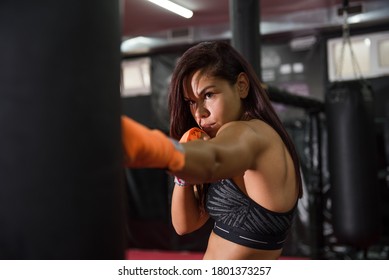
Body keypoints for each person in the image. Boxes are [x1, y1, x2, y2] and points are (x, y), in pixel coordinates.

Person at [121, 41, 302, 260]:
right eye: (191, 102)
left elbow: (214, 159)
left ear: (242, 85)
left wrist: (159, 148)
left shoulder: (251, 134)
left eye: (208, 95)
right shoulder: (229, 141)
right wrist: (184, 173)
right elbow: (185, 225)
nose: (200, 113)